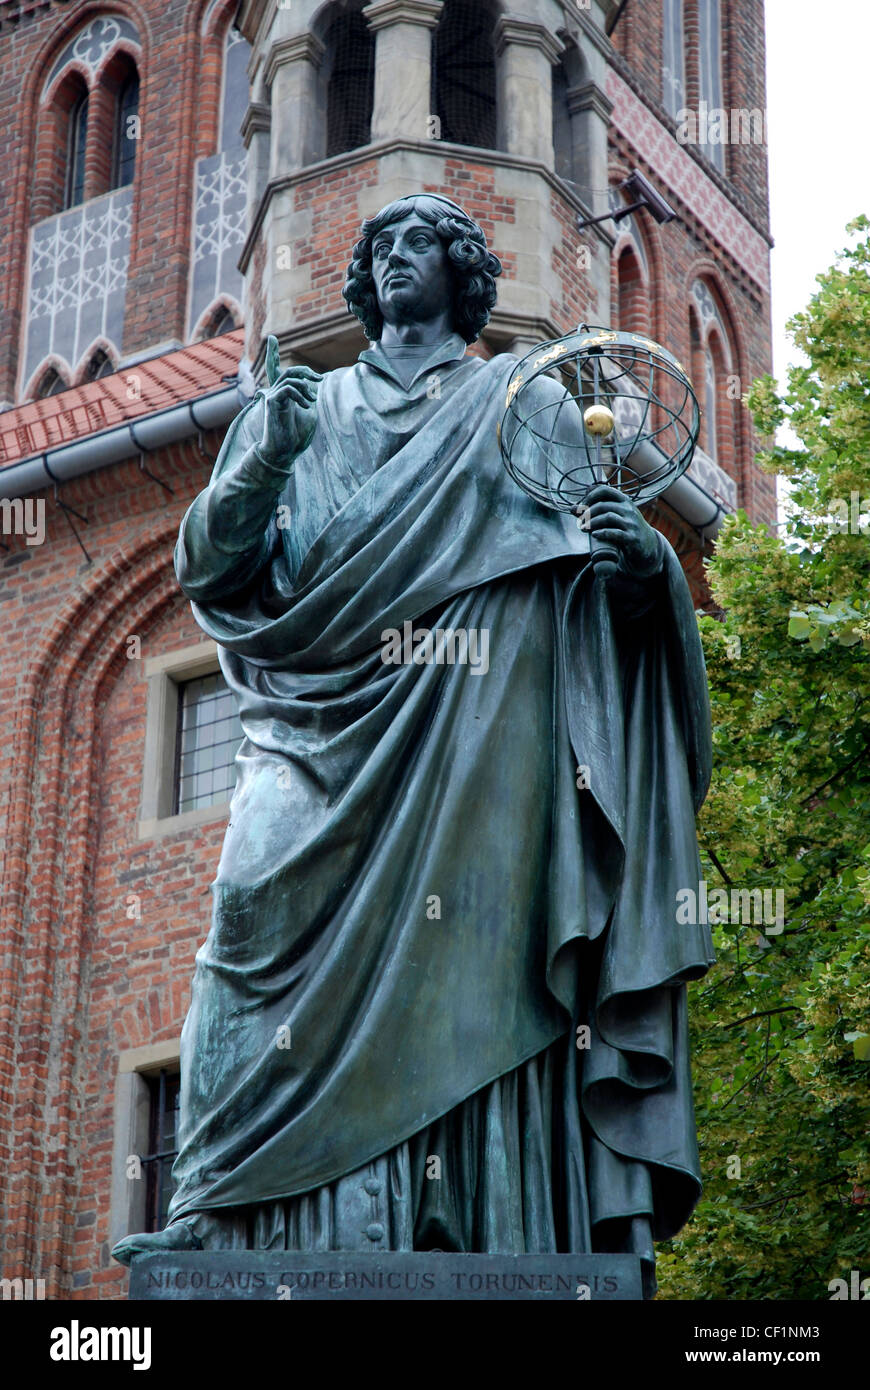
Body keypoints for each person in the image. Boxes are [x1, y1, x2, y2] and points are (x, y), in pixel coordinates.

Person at [113, 194, 713, 1296]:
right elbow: (213, 569)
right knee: (244, 918)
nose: (395, 257)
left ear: (465, 269)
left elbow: (596, 598)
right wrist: (261, 458)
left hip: (484, 738)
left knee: (483, 954)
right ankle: (213, 1203)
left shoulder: (521, 404)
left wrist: (643, 575)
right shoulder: (304, 402)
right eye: (379, 245)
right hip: (316, 721)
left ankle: (475, 1215)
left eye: (420, 241)